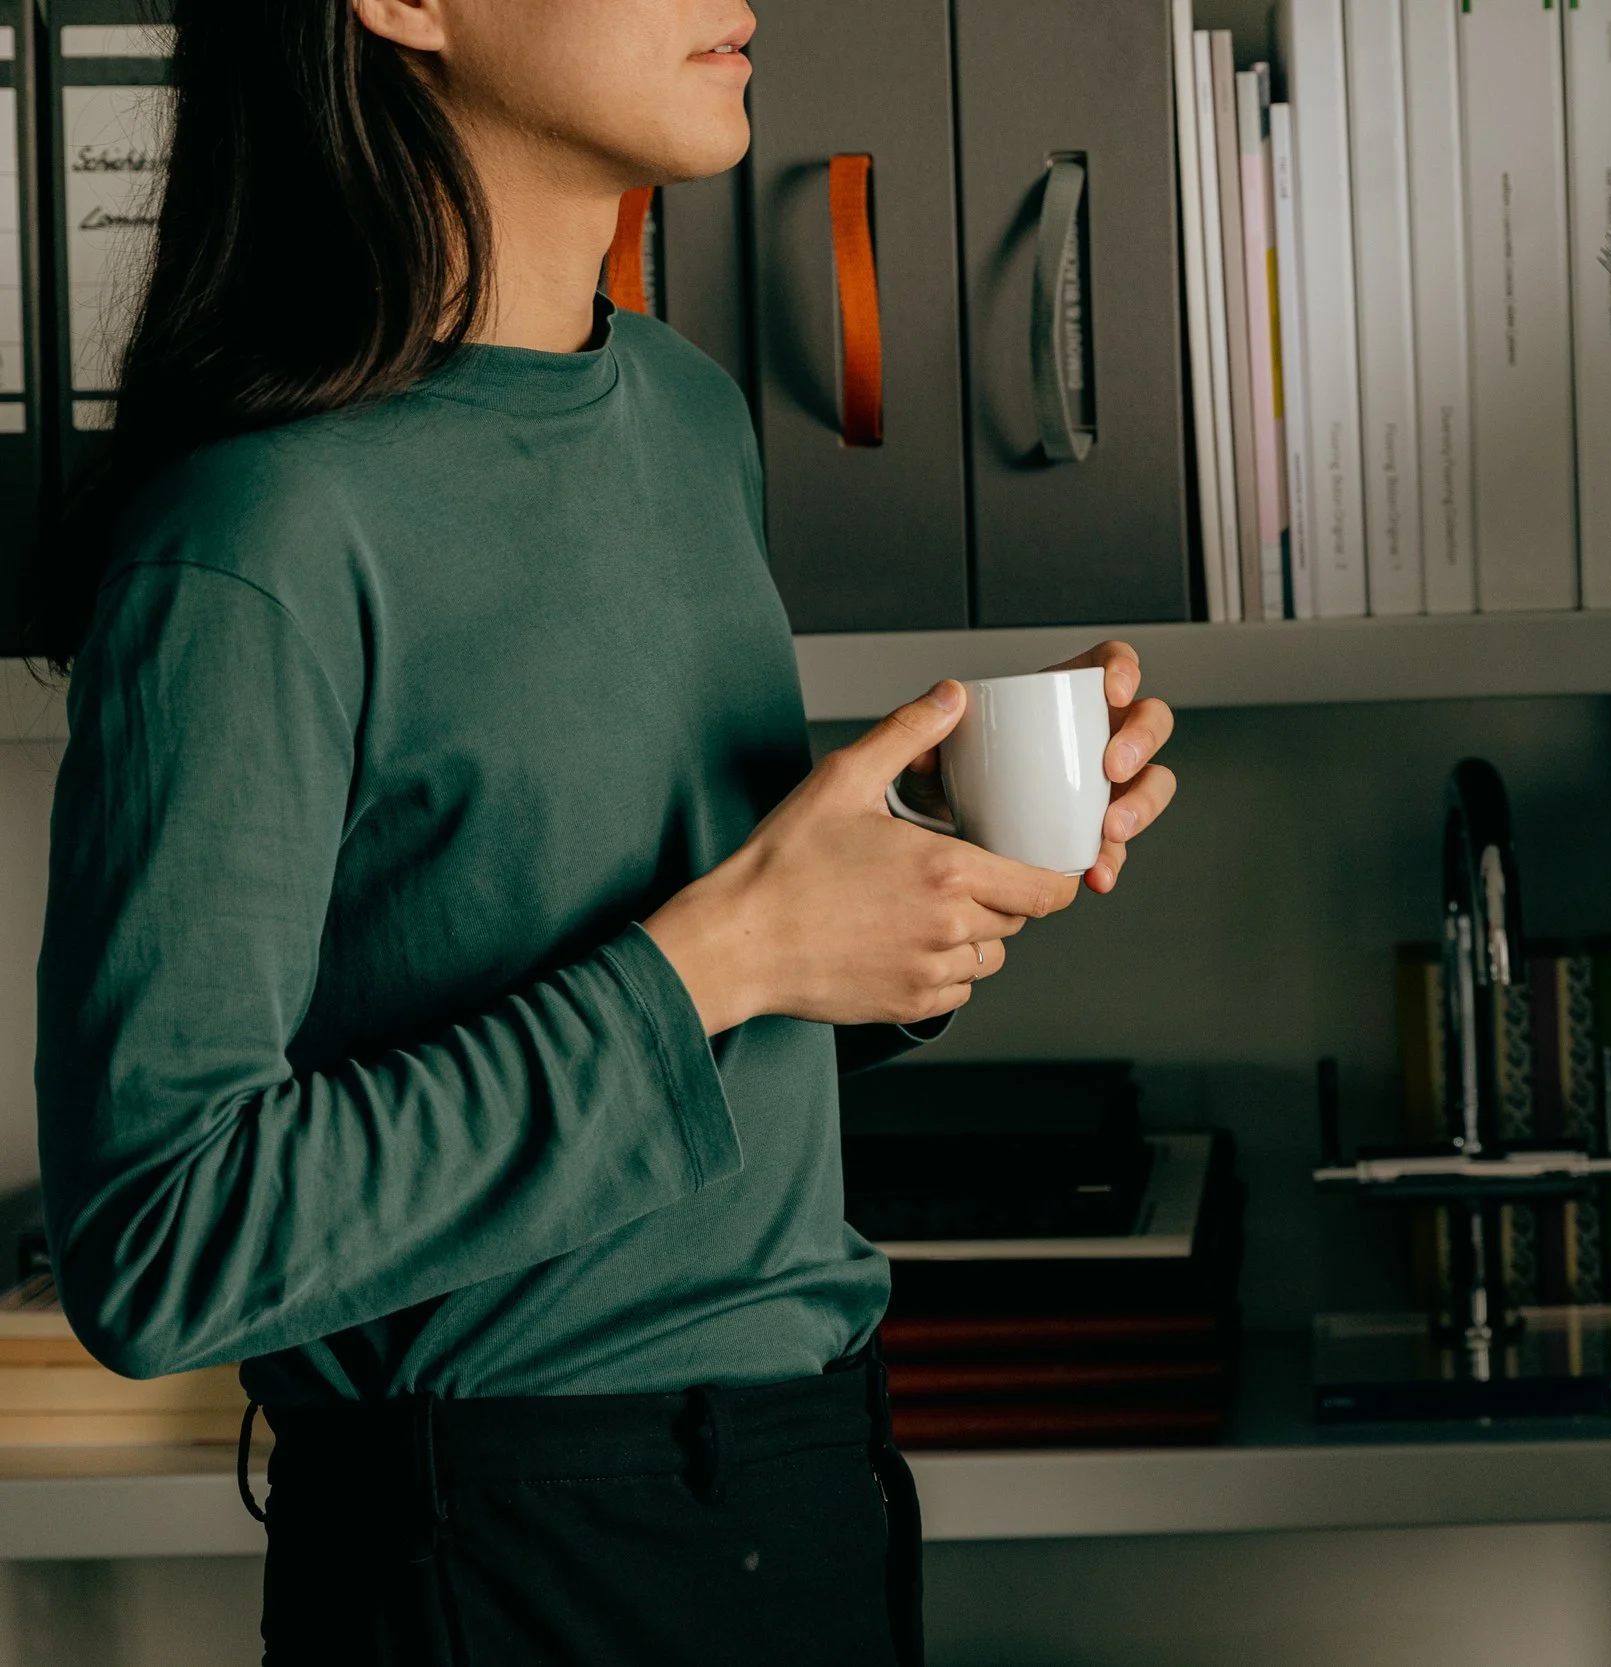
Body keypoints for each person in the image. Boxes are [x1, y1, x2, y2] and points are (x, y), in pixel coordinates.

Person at [26, 1, 1178, 1662]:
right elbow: (158, 1241)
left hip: (813, 1482)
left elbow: (645, 989)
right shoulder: (255, 538)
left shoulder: (691, 417)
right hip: (502, 1551)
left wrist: (906, 880)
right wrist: (735, 951)